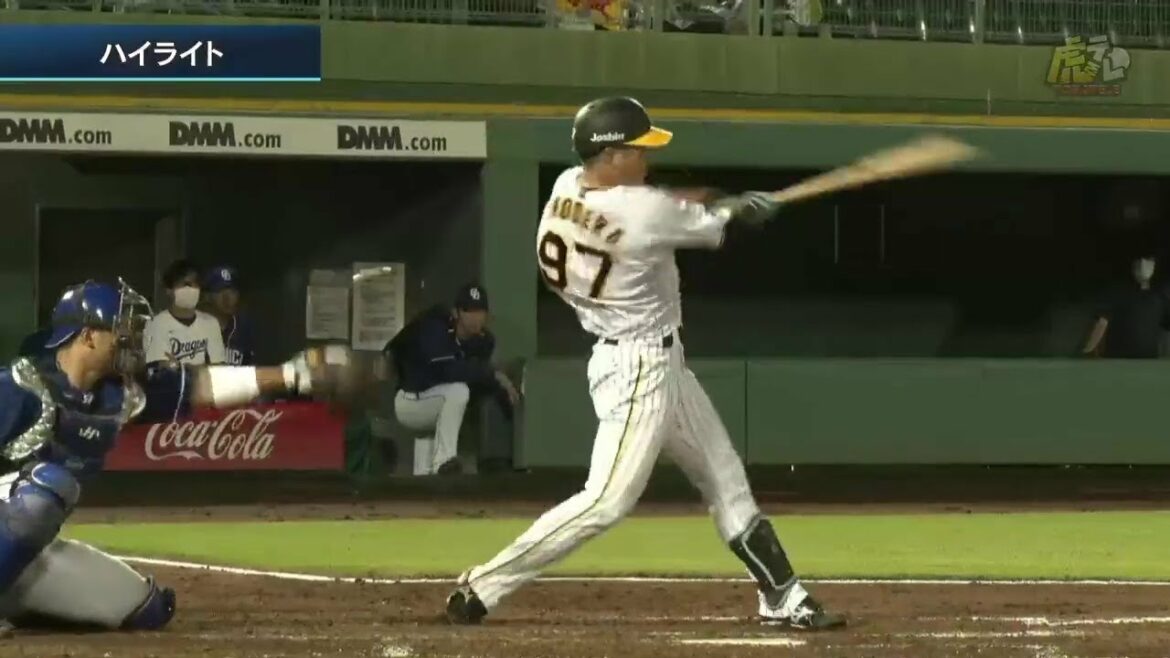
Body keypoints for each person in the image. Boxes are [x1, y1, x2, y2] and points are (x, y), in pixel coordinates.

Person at [445, 97, 845, 630]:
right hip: (639, 368)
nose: (646, 158)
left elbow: (661, 206)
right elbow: (706, 225)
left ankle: (782, 594)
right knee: (605, 501)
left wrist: (718, 202)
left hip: (647, 358)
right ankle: (484, 584)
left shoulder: (567, 185)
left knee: (725, 478)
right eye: (637, 149)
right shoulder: (643, 212)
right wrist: (741, 209)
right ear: (611, 156)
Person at [0, 279, 356, 635]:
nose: (132, 340)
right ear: (89, 336)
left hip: (23, 553)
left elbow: (203, 386)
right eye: (121, 330)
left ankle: (13, 601)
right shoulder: (20, 387)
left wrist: (294, 375)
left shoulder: (118, 394)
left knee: (147, 609)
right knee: (49, 488)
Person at [385, 284, 519, 475]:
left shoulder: (484, 341)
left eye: (480, 311)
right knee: (458, 391)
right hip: (410, 401)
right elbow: (448, 371)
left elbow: (479, 379)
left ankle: (428, 477)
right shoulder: (436, 329)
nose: (475, 317)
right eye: (469, 311)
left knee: (455, 402)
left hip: (437, 404)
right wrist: (494, 374)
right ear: (456, 313)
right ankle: (444, 462)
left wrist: (504, 393)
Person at [1082, 254, 1170, 358]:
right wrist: (1089, 350)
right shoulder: (1116, 293)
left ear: (1154, 266)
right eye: (1139, 262)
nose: (1143, 266)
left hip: (1148, 360)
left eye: (1148, 262)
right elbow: (1102, 322)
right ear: (1132, 266)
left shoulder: (1159, 297)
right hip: (1118, 359)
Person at [143, 259, 225, 366]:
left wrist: (184, 368)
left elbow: (218, 366)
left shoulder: (211, 323)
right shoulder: (156, 324)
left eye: (195, 284)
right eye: (184, 284)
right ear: (169, 290)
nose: (190, 289)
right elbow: (162, 367)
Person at [201, 265, 255, 366]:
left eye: (232, 291)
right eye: (219, 291)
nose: (227, 298)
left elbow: (250, 368)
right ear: (207, 296)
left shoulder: (243, 328)